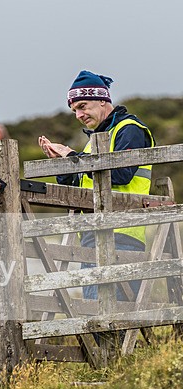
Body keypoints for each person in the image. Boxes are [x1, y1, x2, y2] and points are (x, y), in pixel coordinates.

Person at [38, 70, 154, 301]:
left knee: (118, 312)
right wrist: (64, 164)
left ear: (103, 100)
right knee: (96, 311)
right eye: (74, 111)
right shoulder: (95, 142)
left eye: (82, 106)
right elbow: (81, 185)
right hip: (93, 231)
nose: (79, 115)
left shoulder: (129, 129)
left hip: (123, 231)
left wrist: (73, 156)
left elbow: (121, 174)